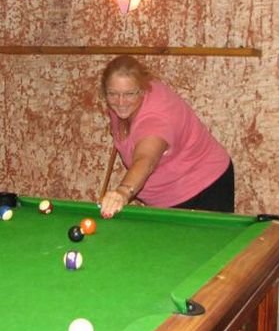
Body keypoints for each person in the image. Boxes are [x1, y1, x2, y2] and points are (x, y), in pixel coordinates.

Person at [99, 56, 235, 218]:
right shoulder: (126, 100)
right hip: (167, 196)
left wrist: (122, 192)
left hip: (205, 188)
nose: (121, 102)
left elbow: (145, 161)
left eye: (129, 94)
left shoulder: (155, 121)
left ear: (142, 90)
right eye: (113, 94)